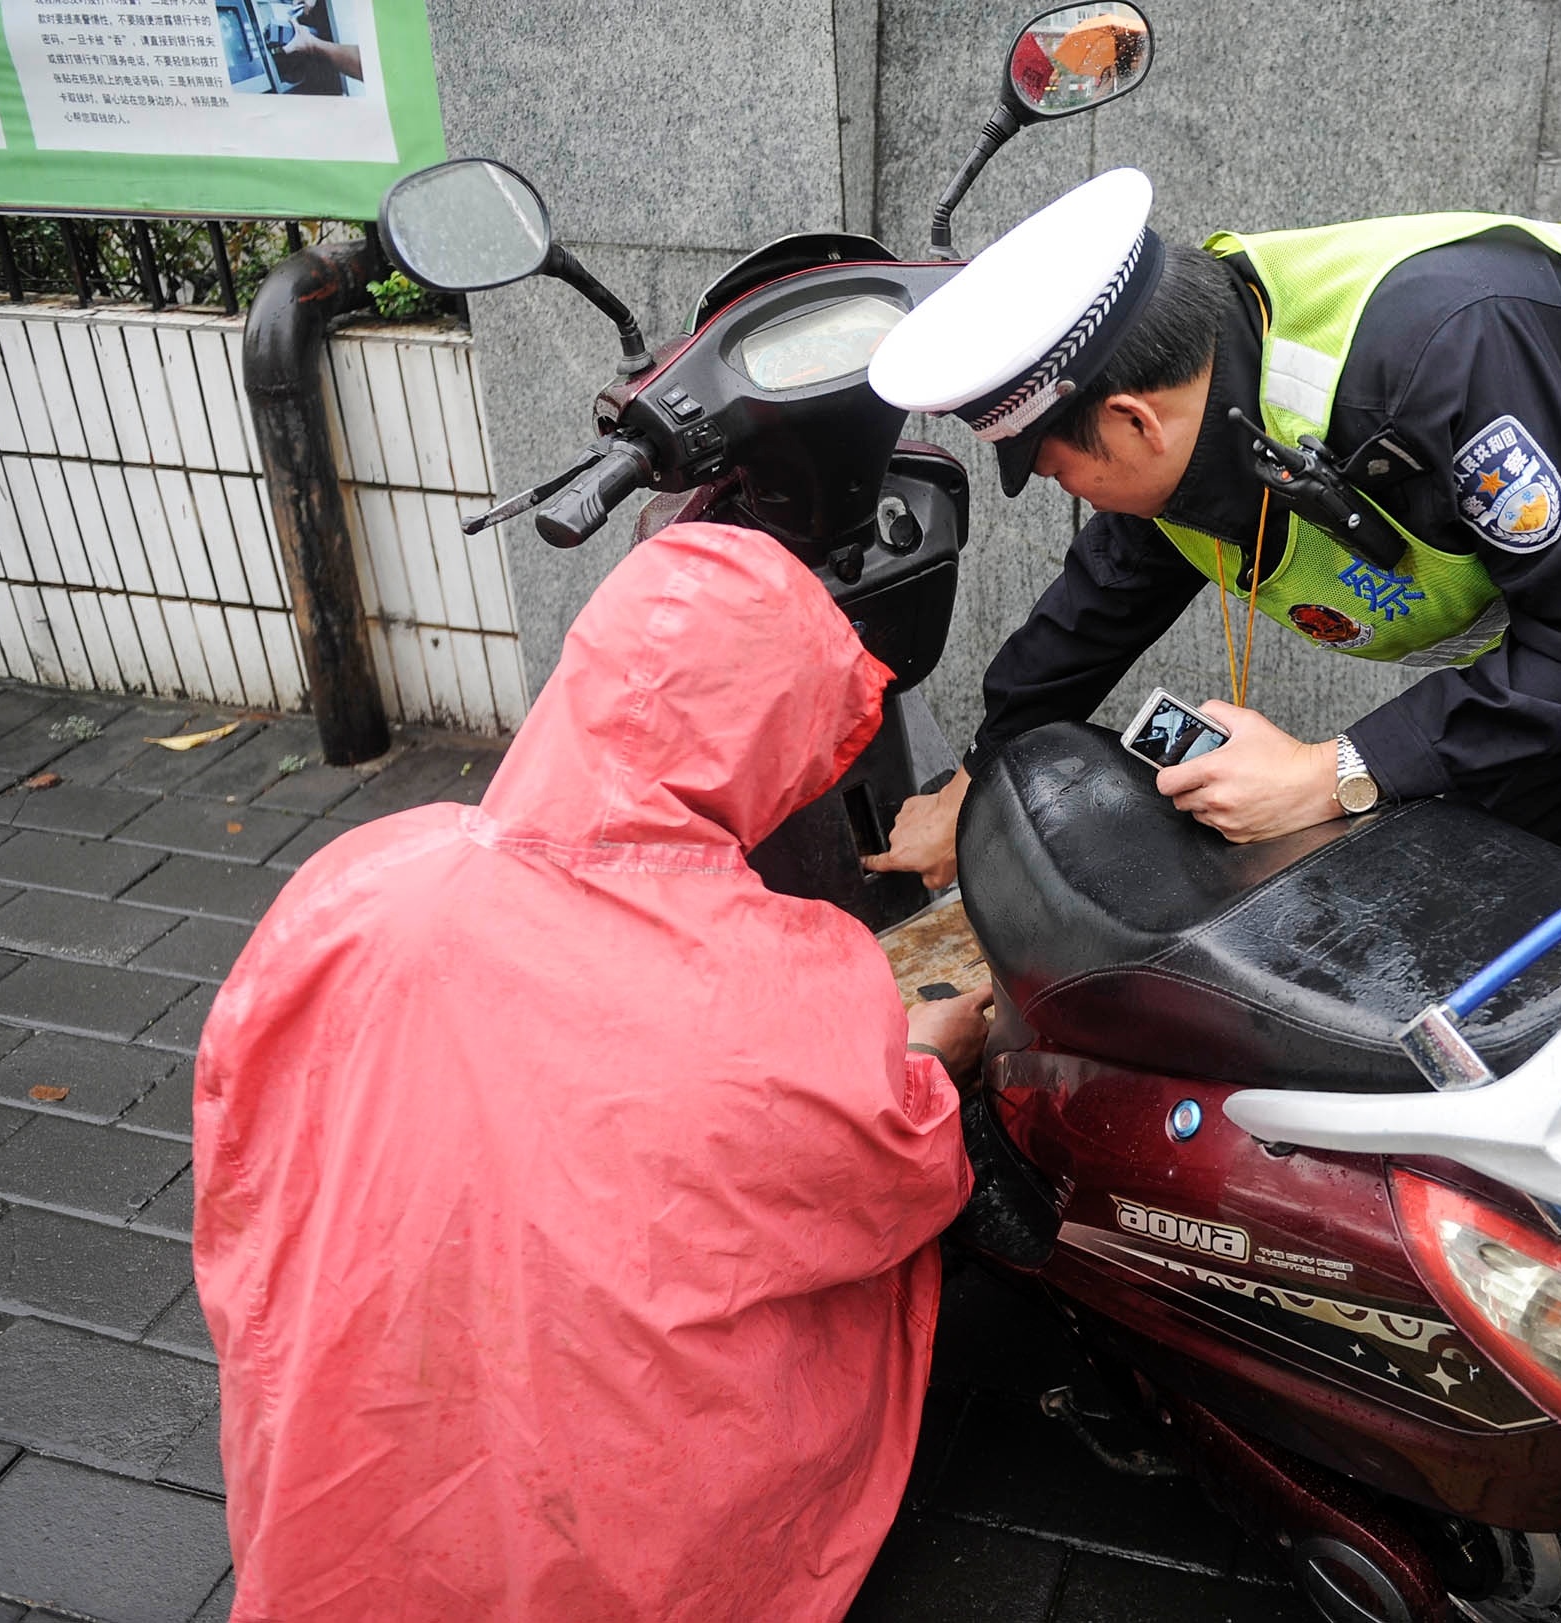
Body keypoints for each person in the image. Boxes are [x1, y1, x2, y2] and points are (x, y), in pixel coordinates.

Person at [193, 523, 992, 1621]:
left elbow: (241, 1145)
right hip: (614, 1495)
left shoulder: (355, 882)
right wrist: (925, 1058)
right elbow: (887, 1168)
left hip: (355, 1418)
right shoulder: (781, 975)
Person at [864, 169, 1561, 982]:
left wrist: (1328, 773)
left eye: (1055, 466)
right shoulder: (1194, 391)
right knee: (1515, 900)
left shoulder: (1442, 353)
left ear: (1131, 419)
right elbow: (1098, 600)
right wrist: (977, 774)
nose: (1065, 493)